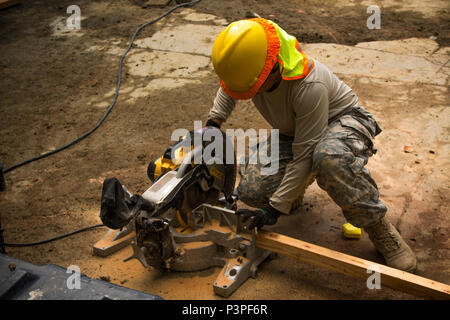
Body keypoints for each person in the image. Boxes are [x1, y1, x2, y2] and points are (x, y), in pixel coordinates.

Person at [205, 18, 417, 272]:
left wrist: (274, 208)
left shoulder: (308, 85)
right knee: (252, 189)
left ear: (272, 68)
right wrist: (213, 123)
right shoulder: (254, 60)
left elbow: (304, 154)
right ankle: (294, 189)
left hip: (342, 122)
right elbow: (231, 84)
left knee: (329, 158)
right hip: (295, 131)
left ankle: (379, 227)